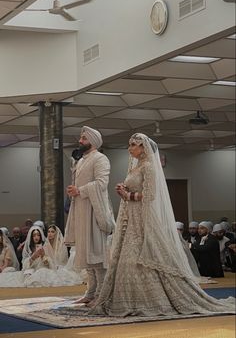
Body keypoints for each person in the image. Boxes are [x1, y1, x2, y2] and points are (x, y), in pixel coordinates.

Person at [90, 133, 235, 317]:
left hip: (143, 218)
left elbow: (150, 196)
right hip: (130, 218)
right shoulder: (135, 168)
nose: (130, 148)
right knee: (126, 258)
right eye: (129, 144)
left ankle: (149, 300)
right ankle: (125, 300)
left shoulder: (149, 167)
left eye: (133, 145)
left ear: (143, 147)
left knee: (143, 256)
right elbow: (135, 190)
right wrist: (124, 190)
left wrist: (129, 196)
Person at [65, 126, 115, 306]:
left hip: (95, 211)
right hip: (81, 209)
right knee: (86, 254)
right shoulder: (81, 161)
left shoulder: (101, 159)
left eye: (84, 138)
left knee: (97, 254)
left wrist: (80, 190)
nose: (80, 141)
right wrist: (74, 191)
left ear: (93, 142)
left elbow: (102, 184)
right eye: (80, 138)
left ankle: (102, 294)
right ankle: (90, 292)